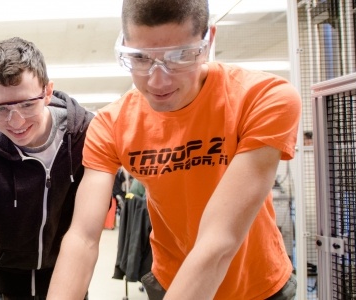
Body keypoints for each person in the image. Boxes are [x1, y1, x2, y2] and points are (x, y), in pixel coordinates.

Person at [48, 0, 301, 299]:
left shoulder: (263, 99)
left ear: (208, 42)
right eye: (139, 58)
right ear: (123, 43)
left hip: (258, 286)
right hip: (172, 279)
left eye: (180, 57)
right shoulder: (111, 123)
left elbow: (218, 242)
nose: (157, 80)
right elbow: (82, 238)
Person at [0, 37, 94, 299]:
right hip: (3, 284)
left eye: (27, 104)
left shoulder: (86, 134)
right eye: (0, 108)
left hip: (66, 277)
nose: (16, 121)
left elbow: (87, 232)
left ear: (48, 91)